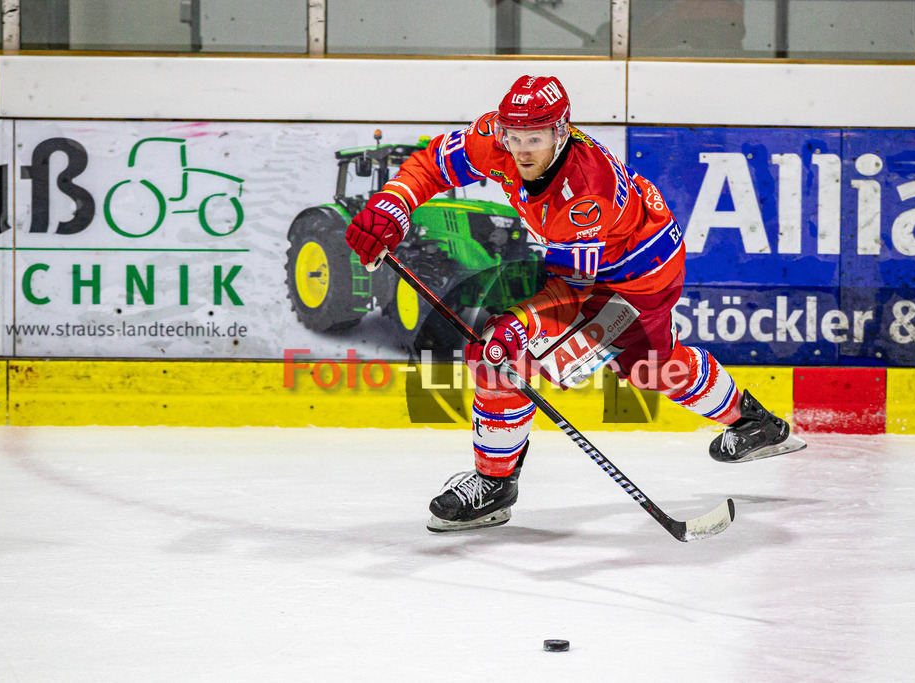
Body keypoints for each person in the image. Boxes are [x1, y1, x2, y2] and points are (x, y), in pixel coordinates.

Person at [345, 75, 805, 532]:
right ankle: (753, 423)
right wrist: (393, 204)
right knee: (650, 366)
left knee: (503, 355)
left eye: (535, 138)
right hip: (636, 249)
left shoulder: (585, 195)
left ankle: (494, 485)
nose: (521, 150)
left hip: (634, 277)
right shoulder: (500, 136)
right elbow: (433, 164)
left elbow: (576, 291)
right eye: (513, 135)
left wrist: (520, 325)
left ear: (561, 133)